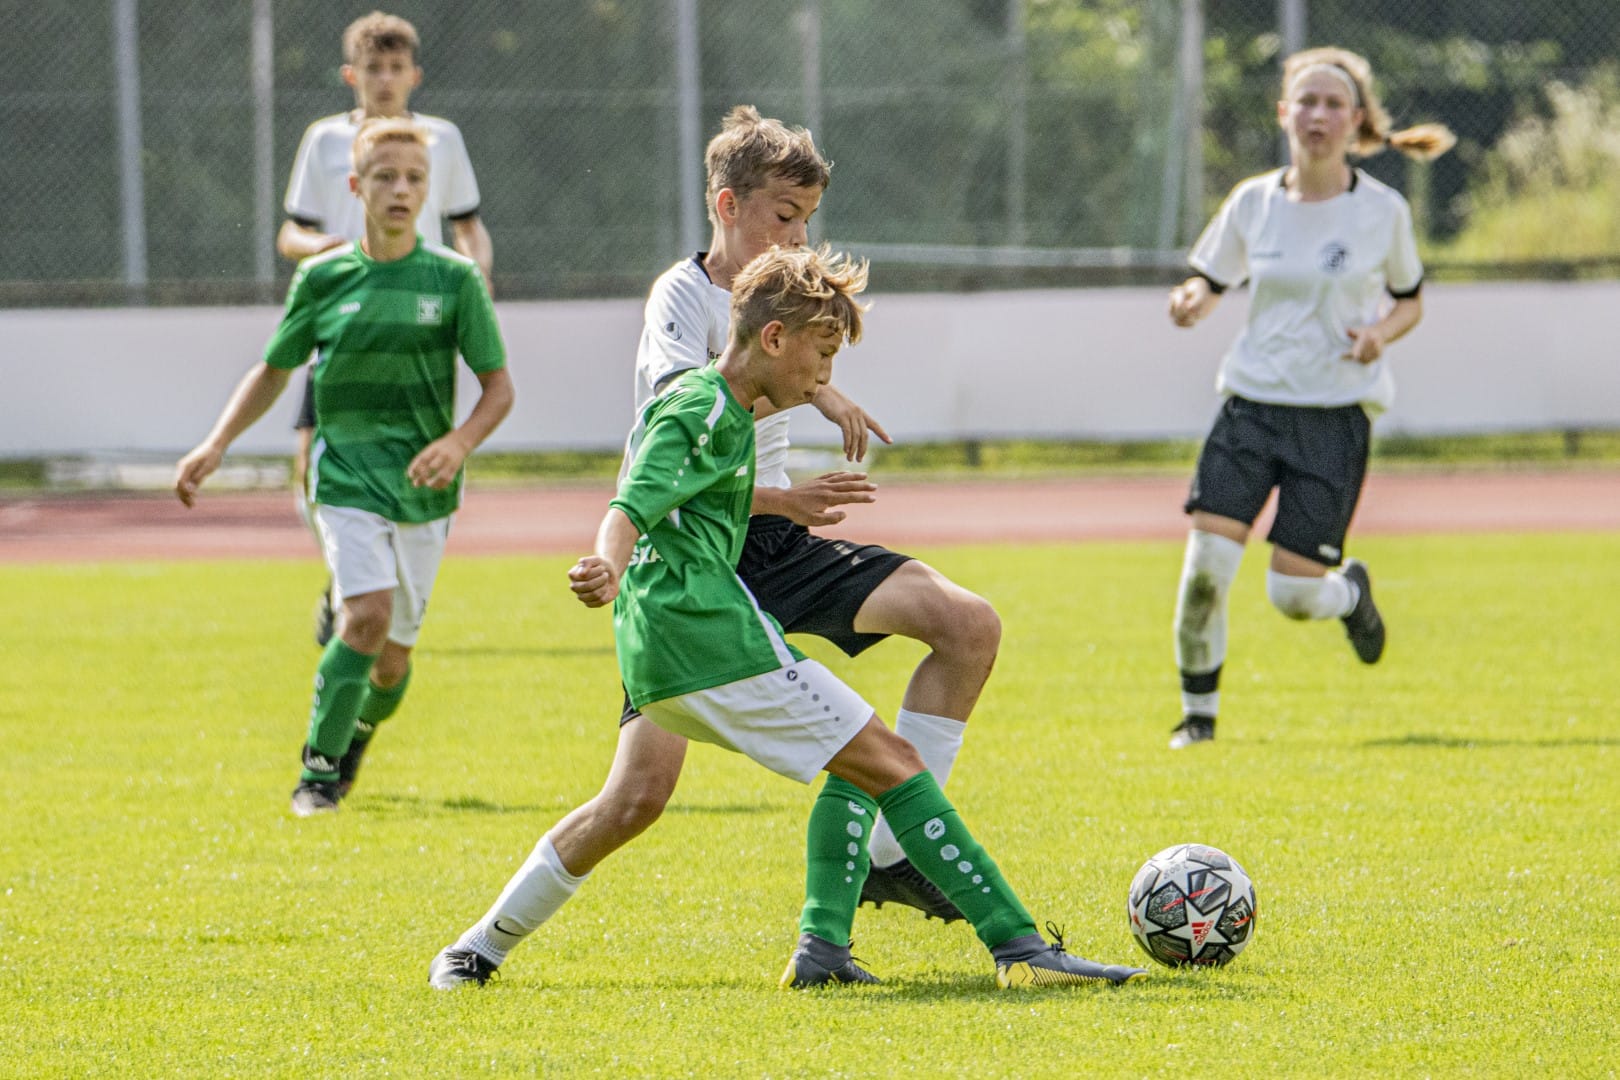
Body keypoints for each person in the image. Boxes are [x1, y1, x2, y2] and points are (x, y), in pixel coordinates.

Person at [433, 244, 1145, 991]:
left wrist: (801, 449)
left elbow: (698, 494)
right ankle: (1021, 951)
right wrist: (606, 563)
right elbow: (629, 502)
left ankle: (484, 951)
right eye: (823, 355)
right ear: (772, 339)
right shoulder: (699, 408)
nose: (826, 377)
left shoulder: (731, 412)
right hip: (706, 637)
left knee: (811, 765)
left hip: (669, 647)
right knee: (893, 763)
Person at [428, 107, 1005, 990]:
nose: (799, 234)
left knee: (966, 625)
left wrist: (824, 391)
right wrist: (798, 455)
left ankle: (894, 849)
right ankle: (479, 945)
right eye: (784, 215)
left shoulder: (787, 301)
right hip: (700, 561)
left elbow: (784, 357)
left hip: (771, 539)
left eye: (808, 217)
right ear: (728, 206)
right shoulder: (681, 301)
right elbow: (682, 454)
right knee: (636, 800)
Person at [174, 118, 514, 813]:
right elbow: (274, 370)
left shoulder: (452, 280)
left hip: (424, 488)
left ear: (428, 191)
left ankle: (354, 733)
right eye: (385, 177)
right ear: (356, 187)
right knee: (366, 617)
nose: (400, 189)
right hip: (346, 476)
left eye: (414, 179)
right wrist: (216, 444)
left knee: (391, 664)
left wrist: (457, 444)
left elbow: (499, 388)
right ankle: (318, 773)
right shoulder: (323, 277)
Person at [1164, 47, 1455, 749]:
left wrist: (1380, 334)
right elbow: (1210, 277)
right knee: (1205, 574)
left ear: (1356, 120)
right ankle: (1197, 721)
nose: (1318, 115)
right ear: (1283, 113)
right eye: (1307, 101)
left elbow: (1411, 301)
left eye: (1333, 104)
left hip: (1333, 418)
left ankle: (1347, 593)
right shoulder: (1253, 200)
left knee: (1293, 596)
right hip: (1249, 407)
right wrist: (1192, 300)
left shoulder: (1380, 212)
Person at [279, 10, 495, 647]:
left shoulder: (439, 140)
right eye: (373, 67)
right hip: (344, 322)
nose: (384, 79)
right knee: (312, 460)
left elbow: (468, 226)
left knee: (416, 459)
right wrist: (331, 252)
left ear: (414, 75)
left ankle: (376, 593)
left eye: (396, 67)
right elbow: (289, 232)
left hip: (419, 325)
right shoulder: (324, 140)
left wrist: (474, 285)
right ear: (352, 74)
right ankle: (348, 577)